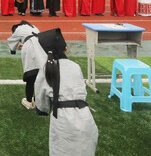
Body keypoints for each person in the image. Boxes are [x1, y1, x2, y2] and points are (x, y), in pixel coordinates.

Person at [34, 28, 98, 156]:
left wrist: (43, 109)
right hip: (85, 117)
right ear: (66, 49)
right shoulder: (75, 66)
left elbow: (41, 104)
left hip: (63, 121)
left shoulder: (46, 70)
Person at [7, 21, 45, 110]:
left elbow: (12, 41)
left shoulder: (18, 29)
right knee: (41, 73)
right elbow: (33, 40)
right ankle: (37, 100)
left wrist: (13, 50)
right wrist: (24, 45)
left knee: (31, 74)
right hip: (42, 46)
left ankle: (29, 101)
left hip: (29, 47)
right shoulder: (34, 27)